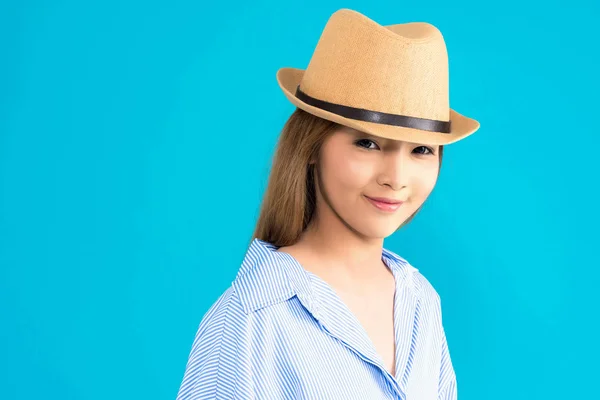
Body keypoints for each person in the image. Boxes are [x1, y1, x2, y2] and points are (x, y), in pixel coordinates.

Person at [176, 8, 479, 400]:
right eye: (367, 143)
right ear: (311, 145)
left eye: (421, 149)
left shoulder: (420, 300)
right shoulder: (251, 320)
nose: (396, 177)